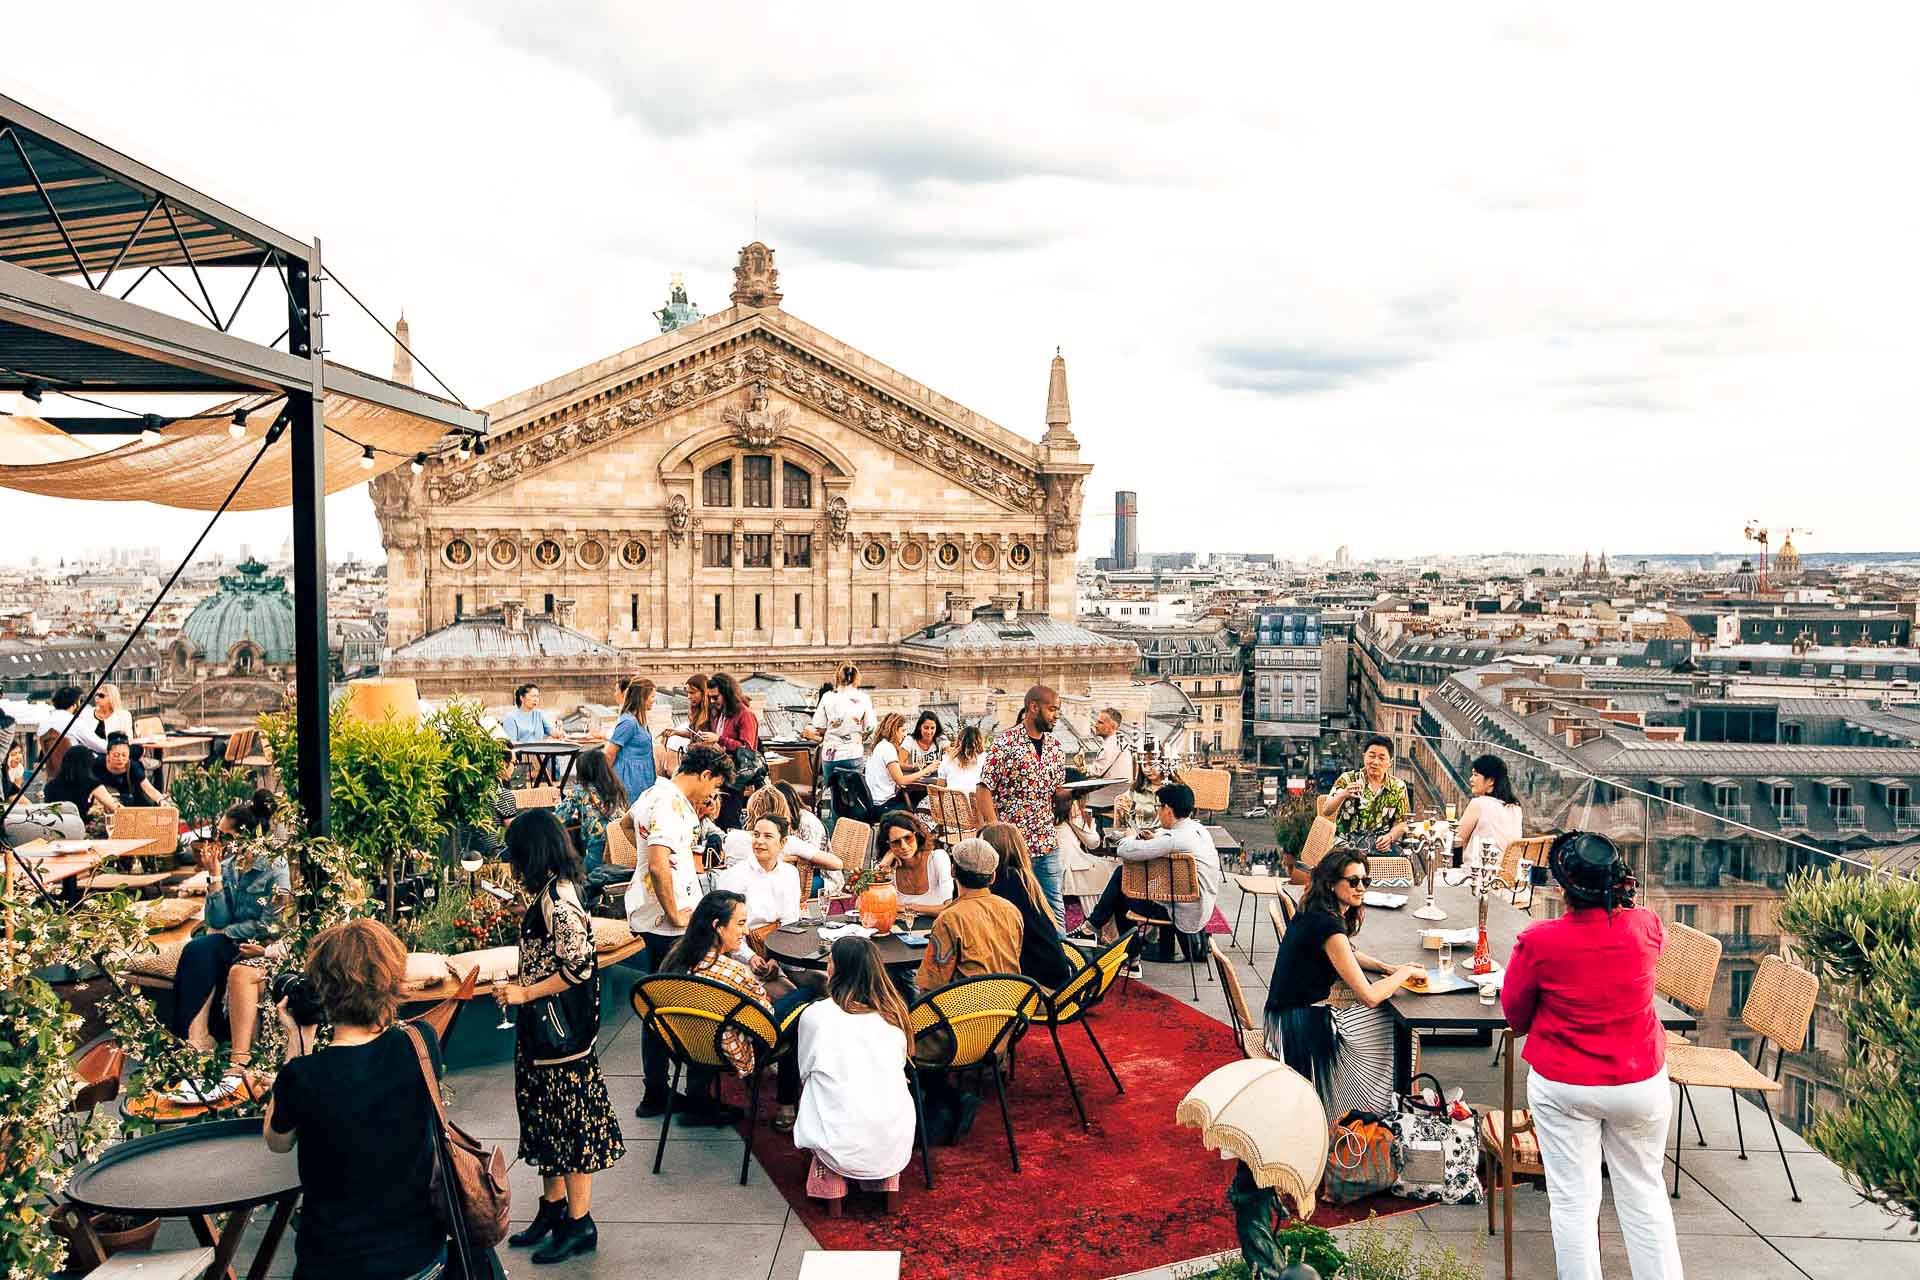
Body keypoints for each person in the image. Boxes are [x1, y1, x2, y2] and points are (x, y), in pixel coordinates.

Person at [1502, 832, 1681, 1280]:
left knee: (1574, 1202)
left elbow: (1516, 1015)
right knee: (1645, 1193)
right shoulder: (1646, 926)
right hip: (1639, 1080)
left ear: (1564, 889)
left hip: (1564, 1082)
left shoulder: (1539, 942)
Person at [263, 919, 448, 1280]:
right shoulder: (420, 1044)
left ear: (322, 989)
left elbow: (277, 1141)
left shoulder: (302, 1076)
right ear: (391, 981)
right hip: (419, 1259)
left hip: (336, 1265)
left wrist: (297, 1040)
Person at [494, 811, 624, 1263]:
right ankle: (553, 1208)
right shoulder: (551, 894)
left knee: (569, 1127)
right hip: (543, 1035)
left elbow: (578, 966)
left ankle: (579, 1221)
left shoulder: (559, 899)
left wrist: (524, 992)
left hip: (559, 1039)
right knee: (547, 1121)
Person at [617, 744, 737, 1120]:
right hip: (669, 922)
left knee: (658, 1002)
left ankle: (656, 1091)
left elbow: (625, 825)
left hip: (649, 917)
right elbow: (657, 863)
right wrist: (677, 916)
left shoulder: (656, 793)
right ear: (703, 774)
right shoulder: (670, 806)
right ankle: (695, 1097)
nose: (713, 795)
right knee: (693, 1003)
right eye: (713, 786)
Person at [1263, 849, 1422, 1119]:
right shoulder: (1328, 926)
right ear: (1331, 883)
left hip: (1282, 1016)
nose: (1361, 888)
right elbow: (1370, 996)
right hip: (1300, 1028)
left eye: (1365, 881)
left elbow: (1347, 952)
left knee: (1390, 1022)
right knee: (1406, 1031)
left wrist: (1386, 968)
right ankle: (1400, 1112)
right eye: (1353, 881)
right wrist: (1403, 973)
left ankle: (1402, 1105)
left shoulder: (1314, 910)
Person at [662, 890, 818, 1131]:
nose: (746, 932)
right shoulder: (731, 973)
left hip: (689, 1043)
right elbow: (765, 1020)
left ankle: (697, 1099)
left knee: (799, 997)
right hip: (735, 1047)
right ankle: (787, 1104)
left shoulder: (676, 958)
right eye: (741, 923)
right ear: (718, 927)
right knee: (806, 1004)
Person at [173, 791, 288, 1093]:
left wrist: (228, 934)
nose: (217, 842)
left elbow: (272, 922)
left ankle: (232, 1052)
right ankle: (197, 1036)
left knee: (212, 947)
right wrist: (214, 876)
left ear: (247, 837)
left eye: (225, 836)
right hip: (233, 938)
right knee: (196, 950)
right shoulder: (229, 865)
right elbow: (217, 919)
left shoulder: (275, 867)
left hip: (264, 941)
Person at [913, 838, 1023, 1141]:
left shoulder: (951, 918)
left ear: (952, 871)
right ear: (993, 877)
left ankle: (941, 1102)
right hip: (1002, 1026)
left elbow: (929, 987)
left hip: (959, 1033)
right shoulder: (1011, 910)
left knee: (893, 1029)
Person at [793, 937, 916, 1203]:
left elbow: (805, 1070)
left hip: (836, 1138)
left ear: (835, 969)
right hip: (892, 1141)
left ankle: (830, 1177)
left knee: (815, 1081)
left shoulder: (816, 1015)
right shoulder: (894, 1014)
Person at [1072, 783, 1222, 964]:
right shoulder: (1197, 829)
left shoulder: (1174, 839)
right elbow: (1171, 843)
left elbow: (1126, 851)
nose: (1158, 812)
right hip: (1197, 904)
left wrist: (1128, 835)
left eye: (1159, 807)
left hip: (1181, 909)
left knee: (1123, 881)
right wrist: (1156, 839)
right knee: (1122, 885)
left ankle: (1126, 953)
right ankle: (1095, 931)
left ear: (1168, 809)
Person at [975, 685, 1070, 935]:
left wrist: (1072, 794)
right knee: (1009, 910)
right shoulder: (1005, 743)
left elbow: (1056, 791)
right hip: (1012, 848)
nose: (1056, 715)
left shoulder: (1056, 748)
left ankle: (1064, 964)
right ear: (1034, 707)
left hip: (1046, 842)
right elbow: (984, 789)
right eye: (1052, 709)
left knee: (1053, 908)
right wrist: (996, 830)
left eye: (1058, 710)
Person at [979, 822, 1072, 991]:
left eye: (982, 847)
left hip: (1040, 989)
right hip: (1057, 980)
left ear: (996, 850)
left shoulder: (1006, 882)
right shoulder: (1023, 878)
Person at [557, 748, 633, 904]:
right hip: (619, 848)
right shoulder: (616, 789)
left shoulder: (580, 791)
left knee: (577, 883)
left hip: (596, 852)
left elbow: (559, 818)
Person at [812, 663, 876, 835]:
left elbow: (818, 725)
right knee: (854, 796)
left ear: (837, 676)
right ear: (856, 677)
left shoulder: (827, 697)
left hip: (831, 755)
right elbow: (871, 727)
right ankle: (854, 835)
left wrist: (832, 731)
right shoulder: (863, 698)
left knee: (835, 796)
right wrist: (860, 737)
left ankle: (836, 834)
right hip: (853, 753)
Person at [1319, 735, 1411, 852]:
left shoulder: (1398, 787)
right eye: (1371, 756)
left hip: (1379, 845)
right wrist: (1343, 794)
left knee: (1403, 864)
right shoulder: (1348, 779)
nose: (1375, 762)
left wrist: (1390, 837)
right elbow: (1326, 810)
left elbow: (1402, 823)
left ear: (1390, 762)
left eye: (1381, 758)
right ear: (1364, 757)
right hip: (1347, 844)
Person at [717, 811, 803, 931]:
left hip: (784, 941)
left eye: (768, 836)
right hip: (743, 945)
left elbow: (791, 920)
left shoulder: (790, 873)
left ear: (782, 843)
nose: (759, 841)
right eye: (756, 835)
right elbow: (728, 928)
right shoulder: (735, 876)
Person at [875, 810, 953, 916]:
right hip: (899, 930)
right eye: (896, 842)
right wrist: (883, 864)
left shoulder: (937, 858)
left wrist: (911, 907)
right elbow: (862, 904)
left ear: (917, 835)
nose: (903, 846)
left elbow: (949, 908)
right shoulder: (889, 867)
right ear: (888, 844)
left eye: (908, 838)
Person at [1455, 752, 1524, 864]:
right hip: (1508, 875)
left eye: (1476, 775)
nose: (1471, 779)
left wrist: (1440, 829)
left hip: (1479, 875)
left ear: (1491, 781)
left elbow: (1457, 839)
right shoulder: (1516, 808)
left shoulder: (1479, 804)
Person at [864, 713, 935, 818]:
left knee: (917, 795)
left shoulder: (880, 745)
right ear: (894, 730)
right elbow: (901, 780)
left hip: (874, 803)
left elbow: (893, 767)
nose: (905, 735)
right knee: (926, 799)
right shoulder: (888, 748)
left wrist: (912, 767)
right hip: (884, 806)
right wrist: (926, 770)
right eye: (903, 730)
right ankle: (921, 828)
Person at [1054, 791, 1112, 918]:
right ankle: (1098, 924)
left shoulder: (1053, 807)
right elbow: (1093, 842)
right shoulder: (1073, 807)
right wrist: (1091, 824)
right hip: (1072, 868)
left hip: (1060, 866)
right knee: (1115, 869)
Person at [604, 677, 657, 803]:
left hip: (641, 778)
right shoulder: (629, 722)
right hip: (629, 781)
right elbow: (609, 753)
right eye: (652, 697)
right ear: (642, 697)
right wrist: (604, 782)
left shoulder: (639, 720)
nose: (653, 701)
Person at [1083, 707, 1135, 823]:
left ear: (1112, 727)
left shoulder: (1110, 745)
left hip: (1109, 797)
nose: (1096, 725)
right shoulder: (1117, 741)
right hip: (1116, 792)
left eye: (1100, 722)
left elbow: (1096, 771)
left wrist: (1082, 767)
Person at [89, 732, 163, 812]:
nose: (120, 759)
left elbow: (149, 789)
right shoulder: (97, 764)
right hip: (104, 801)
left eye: (124, 755)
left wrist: (161, 800)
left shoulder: (134, 767)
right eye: (116, 755)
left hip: (130, 801)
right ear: (108, 755)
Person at [69, 683, 132, 756]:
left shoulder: (123, 715)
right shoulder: (85, 714)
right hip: (89, 757)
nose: (97, 698)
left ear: (112, 698)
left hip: (114, 756)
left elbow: (128, 740)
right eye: (96, 695)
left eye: (101, 696)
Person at [936, 725, 988, 798]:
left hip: (951, 807)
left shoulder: (947, 759)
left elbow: (939, 791)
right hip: (977, 807)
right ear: (979, 741)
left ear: (959, 741)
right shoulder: (986, 759)